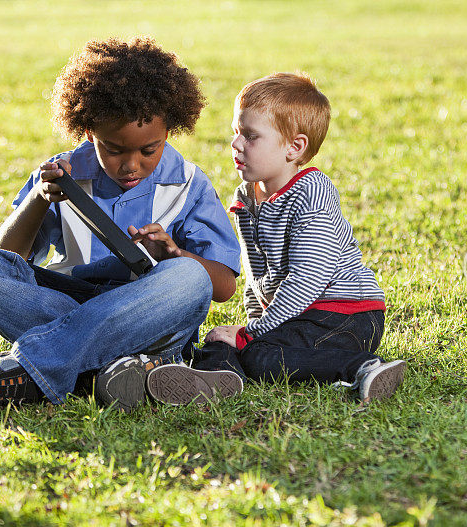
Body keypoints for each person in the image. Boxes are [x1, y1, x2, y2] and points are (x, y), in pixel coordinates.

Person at [0, 37, 243, 413]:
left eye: (148, 150)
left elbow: (222, 286)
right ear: (89, 131)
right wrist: (40, 198)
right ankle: (116, 369)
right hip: (72, 299)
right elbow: (7, 258)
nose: (130, 165)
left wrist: (174, 254)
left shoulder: (189, 184)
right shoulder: (63, 173)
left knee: (188, 276)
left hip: (150, 313)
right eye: (114, 149)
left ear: (170, 131)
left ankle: (36, 367)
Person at [145, 72, 405, 405]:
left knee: (259, 354)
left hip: (344, 314)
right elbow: (256, 278)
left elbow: (308, 279)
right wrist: (250, 326)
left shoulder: (312, 193)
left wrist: (252, 333)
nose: (236, 144)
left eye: (251, 136)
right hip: (299, 315)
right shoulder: (247, 197)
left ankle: (363, 368)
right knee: (224, 341)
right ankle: (216, 378)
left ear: (295, 148)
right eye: (236, 132)